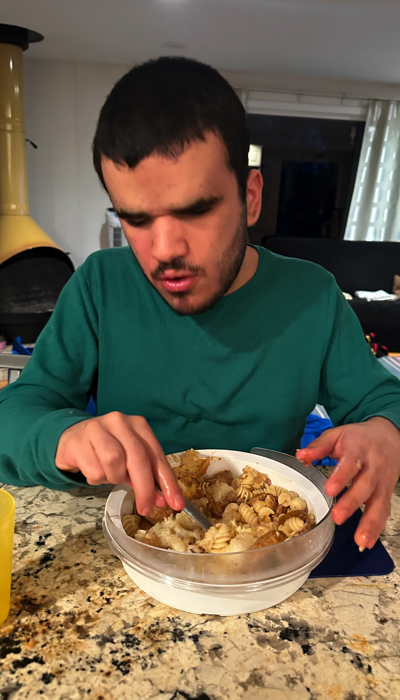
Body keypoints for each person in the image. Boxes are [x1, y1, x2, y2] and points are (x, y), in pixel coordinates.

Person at [1, 57, 400, 553]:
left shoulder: (312, 295)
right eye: (136, 219)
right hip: (132, 552)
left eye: (197, 211)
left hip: (264, 559)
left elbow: (383, 400)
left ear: (250, 199)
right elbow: (14, 415)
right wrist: (67, 435)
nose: (165, 249)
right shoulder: (100, 286)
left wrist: (386, 433)